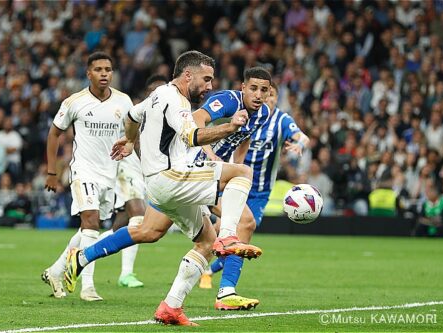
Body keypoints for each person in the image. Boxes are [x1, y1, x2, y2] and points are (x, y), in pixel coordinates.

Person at [64, 50, 262, 326]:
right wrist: (229, 127)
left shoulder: (157, 95)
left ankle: (171, 307)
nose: (210, 86)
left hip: (160, 184)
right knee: (241, 173)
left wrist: (131, 142)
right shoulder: (175, 99)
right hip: (172, 177)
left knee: (201, 241)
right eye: (206, 79)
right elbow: (192, 135)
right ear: (187, 75)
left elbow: (132, 117)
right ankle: (228, 237)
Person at [198, 82, 310, 309]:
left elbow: (302, 136)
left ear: (274, 97)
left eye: (268, 94)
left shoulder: (280, 120)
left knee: (236, 229)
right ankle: (217, 282)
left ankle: (212, 275)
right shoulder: (245, 112)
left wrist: (298, 144)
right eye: (258, 92)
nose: (264, 99)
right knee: (227, 231)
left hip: (258, 192)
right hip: (230, 179)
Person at [41, 52, 134, 302]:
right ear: (88, 73)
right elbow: (53, 134)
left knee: (88, 229)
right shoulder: (75, 102)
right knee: (91, 222)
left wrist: (131, 145)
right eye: (99, 69)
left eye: (108, 69)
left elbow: (134, 131)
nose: (104, 74)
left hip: (110, 174)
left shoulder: (124, 102)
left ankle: (55, 271)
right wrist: (52, 172)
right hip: (83, 171)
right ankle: (88, 287)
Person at [190, 67, 272, 310]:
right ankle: (83, 256)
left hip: (215, 175)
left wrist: (237, 166)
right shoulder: (227, 101)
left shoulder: (263, 113)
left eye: (264, 90)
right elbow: (195, 120)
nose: (258, 95)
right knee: (148, 231)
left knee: (244, 223)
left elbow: (245, 136)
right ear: (243, 88)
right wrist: (210, 153)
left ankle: (226, 291)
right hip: (187, 168)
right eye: (253, 88)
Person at [99, 74, 169, 288]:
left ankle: (75, 254)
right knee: (138, 216)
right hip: (126, 167)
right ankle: (126, 274)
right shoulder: (138, 111)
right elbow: (129, 140)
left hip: (143, 171)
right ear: (150, 94)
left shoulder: (168, 114)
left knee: (119, 226)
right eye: (157, 92)